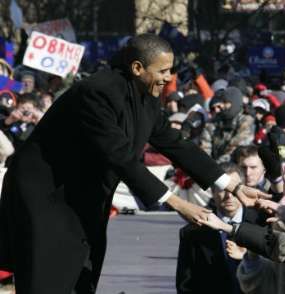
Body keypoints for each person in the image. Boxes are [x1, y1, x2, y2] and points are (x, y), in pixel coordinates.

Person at [0, 34, 267, 294]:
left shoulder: (146, 98)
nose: (168, 77)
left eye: (170, 70)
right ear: (138, 68)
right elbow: (119, 155)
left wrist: (230, 185)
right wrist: (177, 203)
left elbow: (175, 143)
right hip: (45, 197)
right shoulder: (96, 92)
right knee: (47, 278)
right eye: (162, 70)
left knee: (83, 275)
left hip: (83, 197)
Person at [176, 163, 260, 294]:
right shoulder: (193, 232)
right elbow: (185, 284)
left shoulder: (261, 223)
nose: (229, 196)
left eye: (233, 190)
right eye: (222, 189)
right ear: (213, 192)